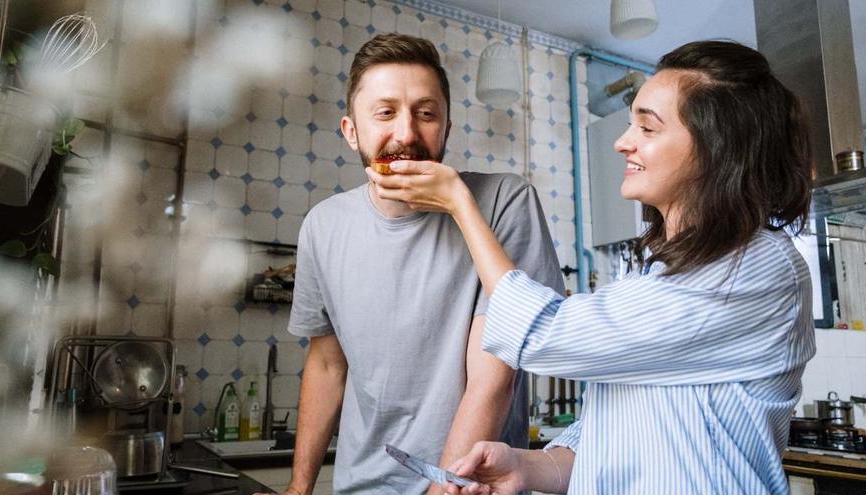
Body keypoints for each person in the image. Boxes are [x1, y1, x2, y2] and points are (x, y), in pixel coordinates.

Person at [367, 40, 816, 494]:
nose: (623, 143)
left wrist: (461, 206)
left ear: (717, 147)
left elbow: (545, 335)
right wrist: (522, 466)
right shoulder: (653, 270)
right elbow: (606, 440)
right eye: (629, 126)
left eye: (648, 128)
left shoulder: (757, 268)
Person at [280, 33, 564, 494]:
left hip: (469, 488)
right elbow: (327, 364)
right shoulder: (321, 226)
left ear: (447, 128)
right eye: (386, 112)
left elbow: (492, 380)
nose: (407, 134)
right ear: (352, 130)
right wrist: (299, 486)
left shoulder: (506, 202)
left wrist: (442, 489)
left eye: (426, 114)